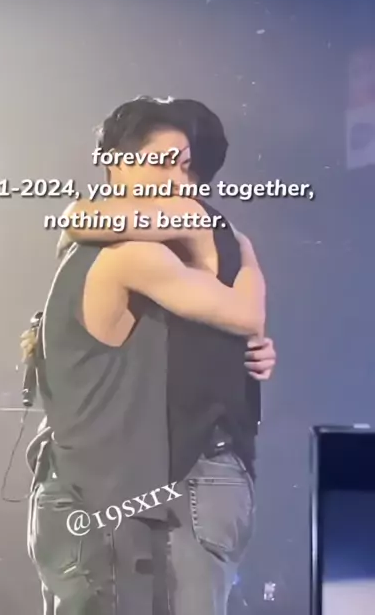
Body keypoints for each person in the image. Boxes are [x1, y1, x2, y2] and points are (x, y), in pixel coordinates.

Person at [25, 96, 273, 615]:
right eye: (163, 164)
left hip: (95, 487)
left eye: (187, 168)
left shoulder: (106, 247)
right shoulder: (135, 253)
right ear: (117, 164)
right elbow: (245, 312)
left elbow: (239, 328)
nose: (181, 182)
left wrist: (243, 352)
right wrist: (228, 247)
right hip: (121, 489)